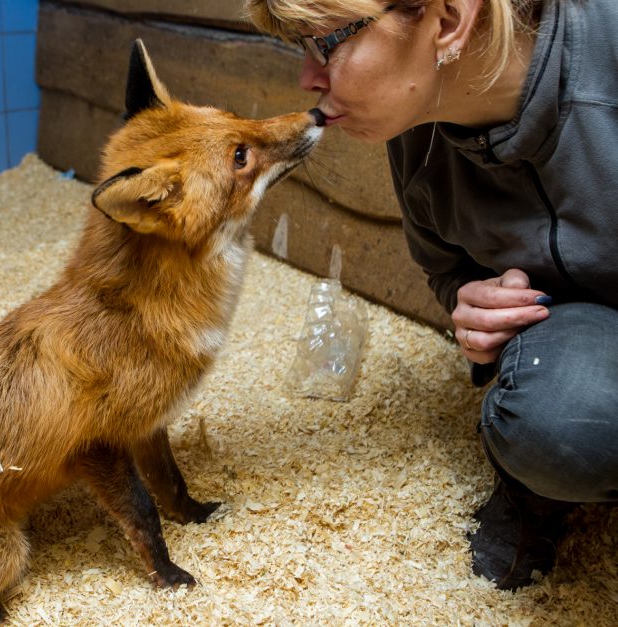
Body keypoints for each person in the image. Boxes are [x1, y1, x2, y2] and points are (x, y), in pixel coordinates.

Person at [245, 0, 617, 590]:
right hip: (583, 327)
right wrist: (472, 302)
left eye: (325, 43)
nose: (308, 79)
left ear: (445, 20)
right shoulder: (416, 125)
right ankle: (536, 487)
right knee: (557, 425)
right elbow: (446, 266)